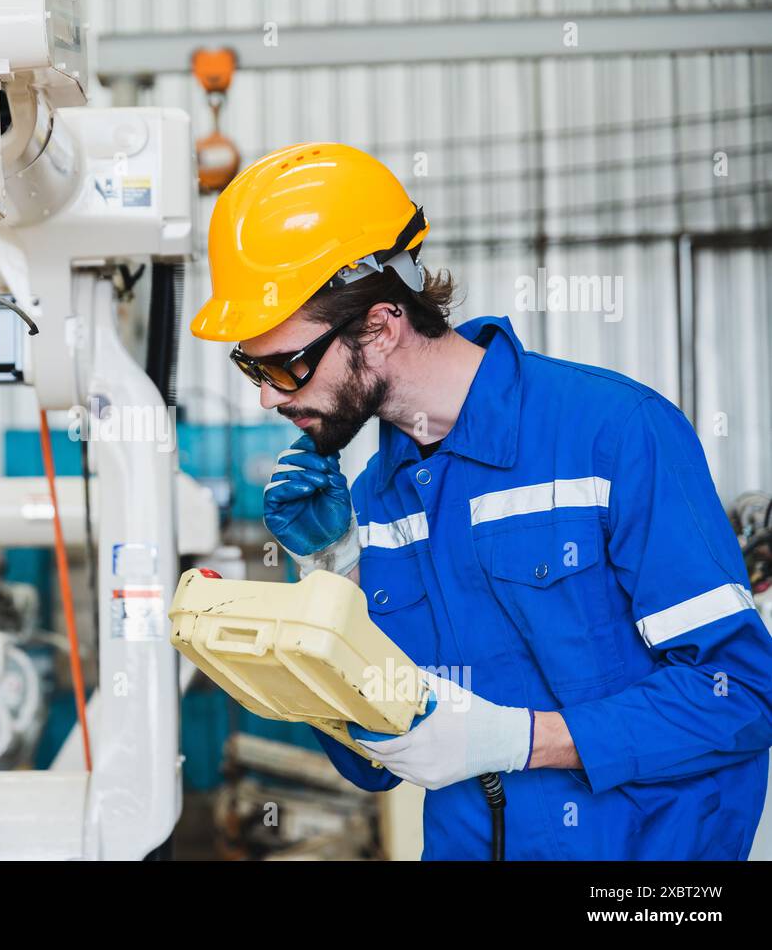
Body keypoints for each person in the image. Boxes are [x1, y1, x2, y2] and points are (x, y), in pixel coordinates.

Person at [190, 141, 772, 859]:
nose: (267, 395)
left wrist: (518, 740)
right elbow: (366, 760)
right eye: (251, 365)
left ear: (379, 325)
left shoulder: (612, 436)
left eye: (287, 364)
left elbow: (739, 695)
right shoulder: (375, 501)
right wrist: (325, 576)